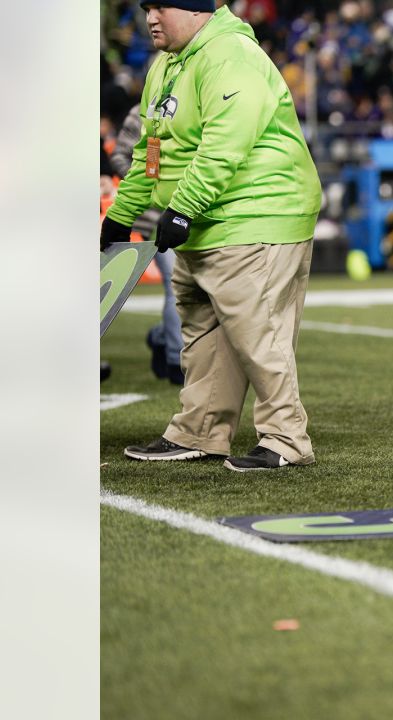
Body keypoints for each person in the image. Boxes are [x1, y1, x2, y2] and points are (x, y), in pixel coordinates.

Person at [102, 0, 322, 472]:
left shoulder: (230, 54)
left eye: (161, 7)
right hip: (207, 221)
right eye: (146, 8)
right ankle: (200, 431)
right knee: (201, 330)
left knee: (258, 331)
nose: (150, 18)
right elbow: (150, 151)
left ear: (197, 9)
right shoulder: (165, 65)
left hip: (258, 213)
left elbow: (227, 143)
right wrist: (121, 215)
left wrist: (180, 208)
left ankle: (287, 439)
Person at [110, 101, 183, 386]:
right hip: (156, 214)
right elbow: (119, 156)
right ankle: (177, 359)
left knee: (192, 288)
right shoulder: (144, 109)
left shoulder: (200, 105)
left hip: (192, 209)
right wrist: (145, 186)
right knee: (176, 283)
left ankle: (161, 337)